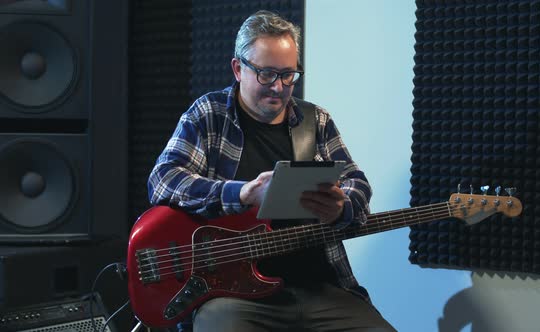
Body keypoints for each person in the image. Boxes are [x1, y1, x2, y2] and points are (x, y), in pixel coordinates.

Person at [147, 10, 396, 332]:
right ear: (238, 69)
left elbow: (356, 182)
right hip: (232, 296)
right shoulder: (209, 114)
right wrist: (242, 193)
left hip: (318, 287)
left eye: (288, 75)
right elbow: (163, 180)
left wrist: (342, 206)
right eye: (266, 74)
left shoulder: (315, 121)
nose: (278, 87)